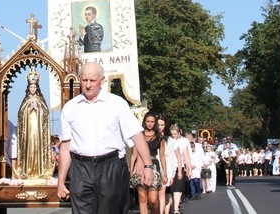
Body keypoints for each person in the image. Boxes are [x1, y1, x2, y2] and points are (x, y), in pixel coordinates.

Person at [56, 62, 154, 213]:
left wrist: (147, 165)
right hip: (80, 168)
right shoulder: (70, 107)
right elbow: (65, 147)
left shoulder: (117, 104)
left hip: (109, 167)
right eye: (84, 80)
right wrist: (61, 182)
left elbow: (137, 135)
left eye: (92, 80)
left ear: (102, 81)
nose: (88, 85)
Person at [16, 67, 54, 179]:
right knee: (29, 145)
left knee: (37, 145)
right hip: (28, 129)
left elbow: (46, 113)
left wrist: (37, 108)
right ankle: (27, 170)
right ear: (28, 88)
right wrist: (28, 109)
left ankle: (39, 170)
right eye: (31, 87)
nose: (32, 89)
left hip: (38, 129)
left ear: (37, 88)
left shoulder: (40, 99)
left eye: (34, 87)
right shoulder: (25, 100)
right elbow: (20, 114)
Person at [128, 112, 167, 214]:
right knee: (142, 198)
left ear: (155, 123)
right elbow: (134, 155)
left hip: (154, 166)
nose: (150, 124)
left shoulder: (160, 137)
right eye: (148, 121)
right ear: (144, 122)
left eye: (152, 122)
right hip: (140, 166)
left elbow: (162, 156)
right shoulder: (138, 136)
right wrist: (131, 170)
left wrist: (165, 173)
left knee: (153, 200)